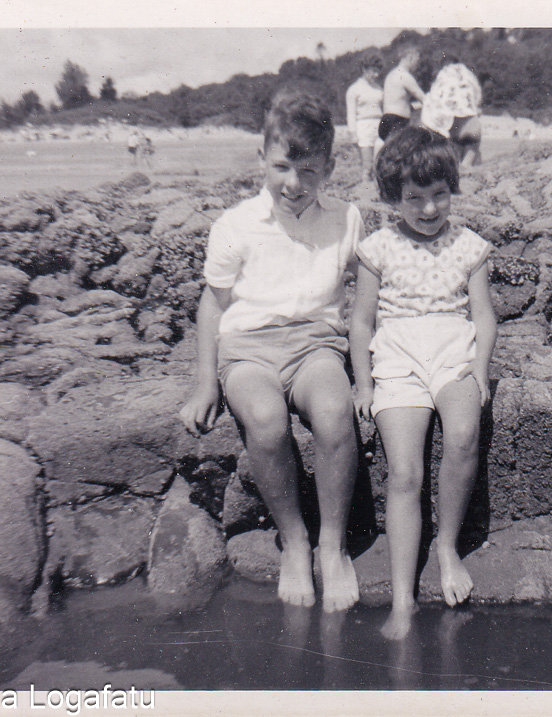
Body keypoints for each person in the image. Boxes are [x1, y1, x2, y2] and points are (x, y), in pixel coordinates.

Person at [179, 88, 363, 613]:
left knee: (333, 411)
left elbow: (371, 289)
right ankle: (295, 540)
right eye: (282, 166)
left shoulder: (346, 220)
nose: (293, 183)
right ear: (261, 158)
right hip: (248, 349)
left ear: (330, 166)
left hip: (315, 345)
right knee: (265, 419)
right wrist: (205, 383)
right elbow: (213, 307)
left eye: (309, 170)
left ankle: (331, 543)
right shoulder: (236, 225)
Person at [349, 126, 497, 640]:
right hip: (398, 357)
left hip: (454, 350)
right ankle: (402, 599)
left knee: (461, 435)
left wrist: (479, 371)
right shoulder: (377, 248)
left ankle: (447, 547)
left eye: (439, 196)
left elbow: (483, 316)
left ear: (452, 190)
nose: (430, 210)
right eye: (415, 199)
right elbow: (362, 323)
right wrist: (364, 386)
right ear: (393, 198)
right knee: (405, 472)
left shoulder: (470, 245)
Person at [420, 62, 483, 168]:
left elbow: (433, 105)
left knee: (452, 164)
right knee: (469, 159)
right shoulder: (468, 80)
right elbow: (478, 99)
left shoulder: (442, 82)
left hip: (453, 132)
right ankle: (467, 164)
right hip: (474, 130)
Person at [346, 55, 384, 183]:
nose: (376, 75)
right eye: (373, 71)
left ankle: (377, 192)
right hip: (363, 127)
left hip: (379, 125)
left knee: (379, 163)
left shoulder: (379, 88)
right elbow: (351, 114)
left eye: (378, 71)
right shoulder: (354, 89)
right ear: (364, 69)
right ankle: (365, 193)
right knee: (367, 166)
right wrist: (353, 134)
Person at [378, 46, 424, 143]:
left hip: (385, 120)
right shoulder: (406, 76)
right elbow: (424, 99)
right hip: (397, 121)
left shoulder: (391, 75)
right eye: (416, 60)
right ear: (410, 58)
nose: (417, 65)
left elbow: (397, 99)